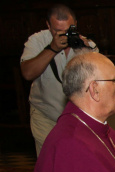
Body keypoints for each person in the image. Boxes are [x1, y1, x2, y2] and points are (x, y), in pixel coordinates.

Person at [20, 4, 98, 156]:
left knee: (75, 161)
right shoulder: (37, 41)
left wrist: (88, 50)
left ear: (75, 23)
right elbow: (28, 73)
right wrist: (52, 49)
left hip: (77, 118)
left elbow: (99, 80)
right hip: (45, 114)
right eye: (57, 30)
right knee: (49, 161)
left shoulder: (86, 44)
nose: (64, 34)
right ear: (48, 25)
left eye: (68, 29)